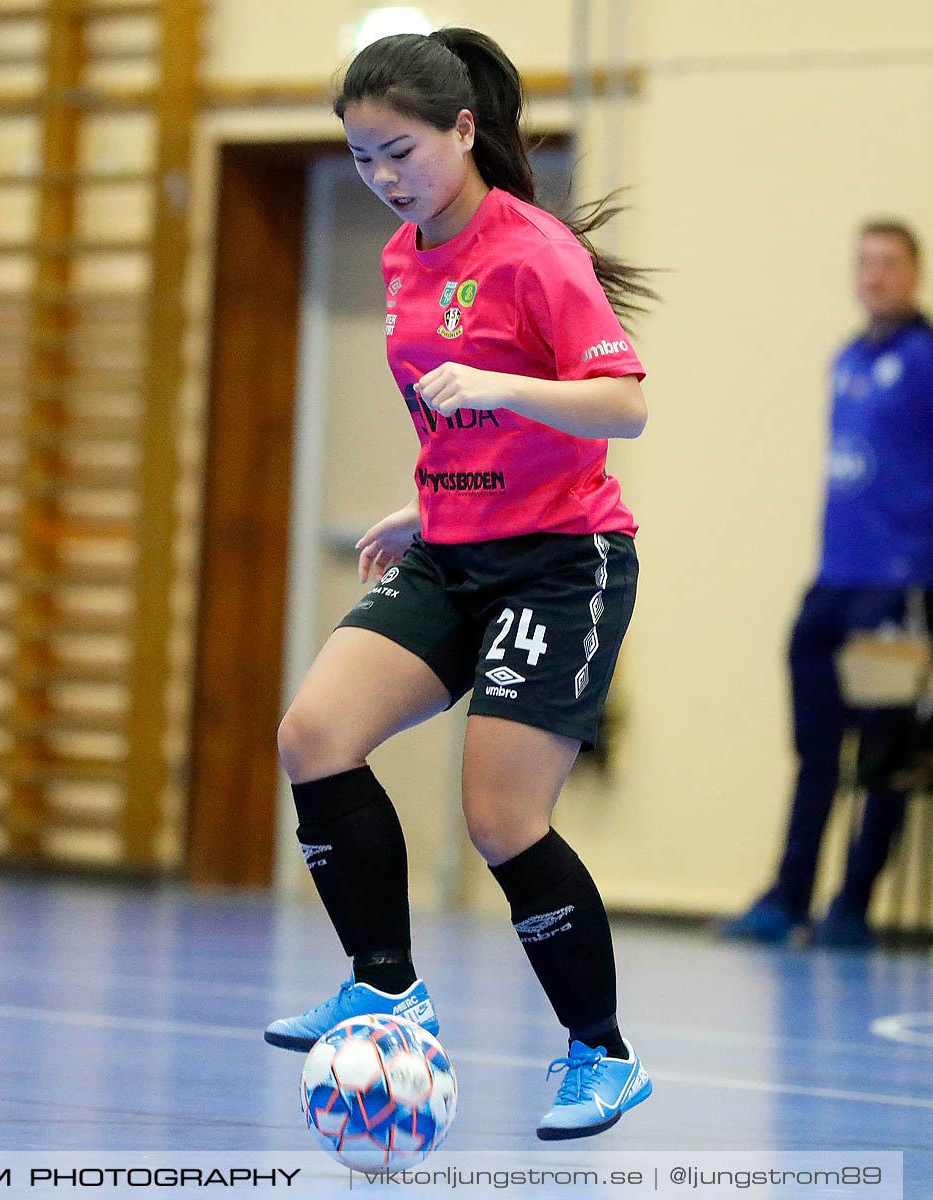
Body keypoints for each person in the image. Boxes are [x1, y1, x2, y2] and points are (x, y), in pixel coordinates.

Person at [263, 28, 655, 1140]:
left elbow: (623, 405)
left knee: (499, 815)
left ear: (463, 130)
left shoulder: (533, 253)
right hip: (455, 544)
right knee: (314, 733)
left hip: (559, 562)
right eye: (360, 159)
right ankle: (383, 983)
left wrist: (497, 383)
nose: (383, 180)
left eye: (400, 153)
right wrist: (424, 495)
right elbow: (454, 417)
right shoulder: (402, 256)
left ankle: (601, 1053)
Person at [723, 221, 933, 948]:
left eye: (888, 264)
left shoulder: (932, 361)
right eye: (863, 264)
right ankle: (788, 895)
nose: (873, 277)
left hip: (897, 587)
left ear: (914, 274)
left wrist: (930, 557)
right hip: (833, 583)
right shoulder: (845, 359)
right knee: (814, 750)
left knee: (881, 755)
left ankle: (852, 905)